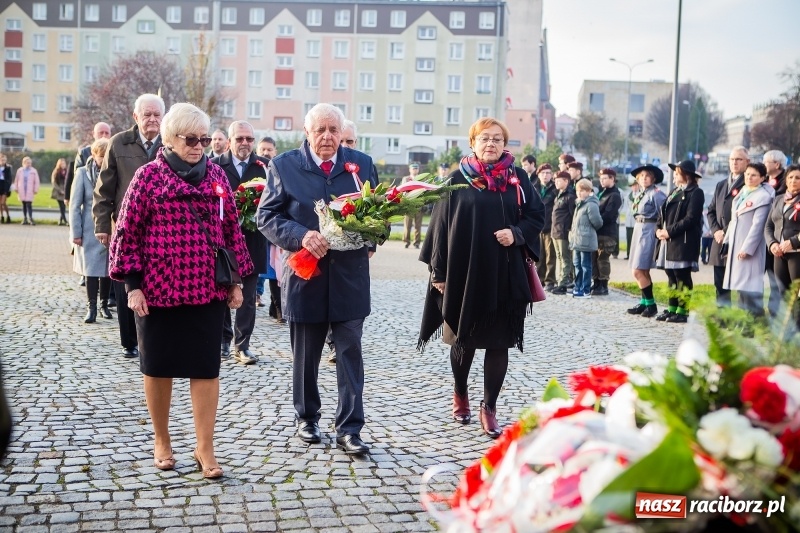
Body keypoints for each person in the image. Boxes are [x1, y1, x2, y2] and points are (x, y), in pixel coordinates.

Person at [109, 102, 253, 479]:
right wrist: (132, 286)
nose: (199, 146)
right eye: (191, 139)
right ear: (170, 140)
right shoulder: (147, 177)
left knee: (205, 368)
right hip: (158, 291)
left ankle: (205, 446)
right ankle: (162, 440)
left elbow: (231, 232)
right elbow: (127, 234)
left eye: (204, 139)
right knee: (158, 368)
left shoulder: (218, 179)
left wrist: (236, 281)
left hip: (206, 289)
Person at [257, 103, 378, 455]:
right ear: (306, 133)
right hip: (305, 275)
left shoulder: (361, 165)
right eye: (320, 130)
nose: (327, 137)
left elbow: (381, 213)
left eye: (333, 130)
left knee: (349, 353)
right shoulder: (284, 166)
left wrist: (368, 237)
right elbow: (266, 216)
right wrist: (300, 234)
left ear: (342, 133)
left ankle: (350, 428)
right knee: (306, 354)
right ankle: (307, 417)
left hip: (349, 277)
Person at [418, 117, 544, 439]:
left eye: (498, 139)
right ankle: (460, 392)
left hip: (504, 274)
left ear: (505, 144)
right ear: (472, 142)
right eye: (485, 139)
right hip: (463, 274)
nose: (491, 144)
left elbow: (536, 215)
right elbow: (440, 228)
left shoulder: (517, 178)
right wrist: (440, 273)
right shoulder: (457, 180)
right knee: (464, 341)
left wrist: (516, 234)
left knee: (499, 342)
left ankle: (489, 407)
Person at [94, 93, 164, 359]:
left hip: (160, 228)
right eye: (147, 114)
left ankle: (153, 336)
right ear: (136, 117)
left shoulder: (170, 143)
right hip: (126, 227)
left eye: (157, 114)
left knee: (156, 281)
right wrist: (103, 225)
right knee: (127, 281)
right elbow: (104, 189)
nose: (152, 119)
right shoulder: (119, 142)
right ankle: (129, 341)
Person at [211, 121, 270, 365]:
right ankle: (223, 340)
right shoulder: (214, 165)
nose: (245, 143)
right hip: (222, 242)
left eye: (249, 139)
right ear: (229, 140)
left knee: (247, 296)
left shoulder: (263, 167)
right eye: (239, 139)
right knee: (222, 290)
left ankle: (242, 345)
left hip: (253, 240)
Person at [654, 161, 705, 323]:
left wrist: (669, 231)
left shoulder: (696, 192)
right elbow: (662, 214)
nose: (674, 176)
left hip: (683, 241)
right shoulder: (675, 191)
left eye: (677, 173)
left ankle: (683, 311)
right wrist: (658, 229)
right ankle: (672, 309)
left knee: (681, 275)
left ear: (687, 175)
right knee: (671, 275)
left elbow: (691, 218)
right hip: (667, 240)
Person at [722, 163, 775, 316]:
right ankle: (743, 320)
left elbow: (758, 227)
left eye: (754, 175)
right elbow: (734, 220)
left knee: (749, 287)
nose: (749, 178)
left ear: (762, 178)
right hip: (736, 244)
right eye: (747, 174)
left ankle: (752, 323)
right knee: (740, 286)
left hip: (750, 248)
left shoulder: (763, 197)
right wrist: (726, 241)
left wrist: (747, 249)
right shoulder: (743, 193)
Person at [70, 139, 114, 323]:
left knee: (107, 269)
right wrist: (76, 233)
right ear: (94, 155)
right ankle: (92, 307)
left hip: (108, 227)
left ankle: (104, 305)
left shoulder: (112, 173)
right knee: (90, 270)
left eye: (106, 157)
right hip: (88, 229)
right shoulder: (82, 174)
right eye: (101, 156)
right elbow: (74, 205)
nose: (103, 160)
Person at [708, 146, 748, 307]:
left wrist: (725, 232)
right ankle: (723, 318)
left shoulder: (749, 183)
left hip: (737, 240)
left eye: (739, 159)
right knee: (720, 284)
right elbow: (710, 211)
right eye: (732, 159)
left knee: (739, 286)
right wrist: (716, 230)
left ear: (747, 162)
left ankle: (739, 320)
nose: (734, 163)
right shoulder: (721, 184)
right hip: (719, 242)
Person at [627, 164, 667, 318]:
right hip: (639, 228)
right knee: (642, 269)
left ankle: (651, 304)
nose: (644, 178)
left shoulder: (656, 194)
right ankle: (644, 302)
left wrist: (659, 231)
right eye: (641, 176)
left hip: (649, 230)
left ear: (653, 178)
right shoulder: (640, 193)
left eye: (647, 175)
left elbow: (664, 214)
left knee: (637, 270)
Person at [765, 163, 800, 327]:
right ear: (786, 180)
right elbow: (768, 226)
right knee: (782, 292)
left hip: (797, 254)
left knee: (797, 294)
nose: (794, 181)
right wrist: (772, 243)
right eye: (791, 177)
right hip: (779, 254)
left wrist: (793, 242)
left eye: (798, 178)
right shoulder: (779, 199)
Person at [763, 150, 788, 317]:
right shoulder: (763, 181)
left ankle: (778, 318)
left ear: (777, 165)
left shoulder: (788, 182)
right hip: (766, 237)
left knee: (779, 284)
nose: (764, 165)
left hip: (782, 240)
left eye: (766, 162)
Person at [569, 178, 602, 299]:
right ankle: (577, 287)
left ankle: (586, 289)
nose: (580, 193)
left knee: (585, 265)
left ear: (589, 191)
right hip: (577, 240)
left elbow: (597, 222)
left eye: (583, 190)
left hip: (586, 241)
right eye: (578, 190)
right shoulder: (579, 204)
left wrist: (585, 231)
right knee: (576, 264)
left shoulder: (591, 205)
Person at [591, 168, 622, 295]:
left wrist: (595, 221)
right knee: (594, 258)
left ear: (612, 179)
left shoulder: (615, 195)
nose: (602, 181)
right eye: (601, 178)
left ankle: (603, 285)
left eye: (605, 178)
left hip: (607, 233)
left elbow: (608, 215)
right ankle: (596, 282)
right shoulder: (601, 193)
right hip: (597, 232)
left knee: (602, 259)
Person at [66, 122, 112, 206]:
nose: (104, 135)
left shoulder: (115, 151)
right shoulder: (84, 152)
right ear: (93, 134)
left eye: (107, 133)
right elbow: (77, 177)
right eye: (101, 132)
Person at [550, 171, 576, 294]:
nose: (556, 182)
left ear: (566, 181)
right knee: (559, 258)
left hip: (563, 231)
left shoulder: (570, 196)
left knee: (565, 259)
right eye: (555, 180)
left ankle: (563, 283)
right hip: (555, 231)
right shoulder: (558, 195)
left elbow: (572, 215)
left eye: (559, 180)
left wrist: (570, 230)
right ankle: (561, 281)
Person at [535, 163, 558, 290]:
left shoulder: (555, 189)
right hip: (537, 227)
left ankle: (550, 281)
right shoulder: (534, 187)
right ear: (538, 175)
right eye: (543, 173)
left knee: (550, 256)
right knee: (538, 256)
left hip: (550, 227)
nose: (545, 175)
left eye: (548, 173)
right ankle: (539, 280)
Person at [402, 162, 424, 249]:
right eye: (413, 168)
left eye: (416, 168)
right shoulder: (406, 179)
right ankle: (406, 241)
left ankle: (417, 242)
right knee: (407, 225)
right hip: (408, 205)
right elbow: (402, 190)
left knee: (418, 226)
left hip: (418, 205)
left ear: (418, 170)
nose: (415, 170)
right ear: (410, 169)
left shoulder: (422, 179)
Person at [14, 157, 40, 225]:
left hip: (30, 190)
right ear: (24, 163)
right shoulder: (20, 170)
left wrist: (36, 189)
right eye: (28, 163)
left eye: (30, 163)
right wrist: (16, 188)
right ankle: (25, 218)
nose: (29, 164)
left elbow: (36, 181)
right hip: (22, 189)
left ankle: (30, 218)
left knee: (29, 204)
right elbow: (16, 180)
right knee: (24, 204)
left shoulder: (33, 171)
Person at [622, 179, 640, 259]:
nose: (634, 187)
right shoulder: (628, 196)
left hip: (637, 220)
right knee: (629, 238)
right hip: (629, 220)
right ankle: (629, 254)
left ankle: (635, 255)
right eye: (633, 186)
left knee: (636, 239)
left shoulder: (640, 195)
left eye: (636, 186)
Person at [51, 158, 69, 226]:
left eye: (64, 163)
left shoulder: (67, 171)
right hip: (58, 192)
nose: (63, 165)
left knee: (63, 206)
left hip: (65, 191)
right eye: (61, 164)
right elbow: (54, 182)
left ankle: (61, 221)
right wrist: (60, 190)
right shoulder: (56, 171)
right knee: (61, 206)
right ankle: (65, 220)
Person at [0, 153, 13, 223]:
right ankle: (2, 216)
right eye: (2, 160)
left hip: (5, 186)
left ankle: (8, 216)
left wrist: (7, 188)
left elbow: (9, 179)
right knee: (0, 203)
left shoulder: (8, 168)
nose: (3, 161)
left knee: (3, 202)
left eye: (4, 160)